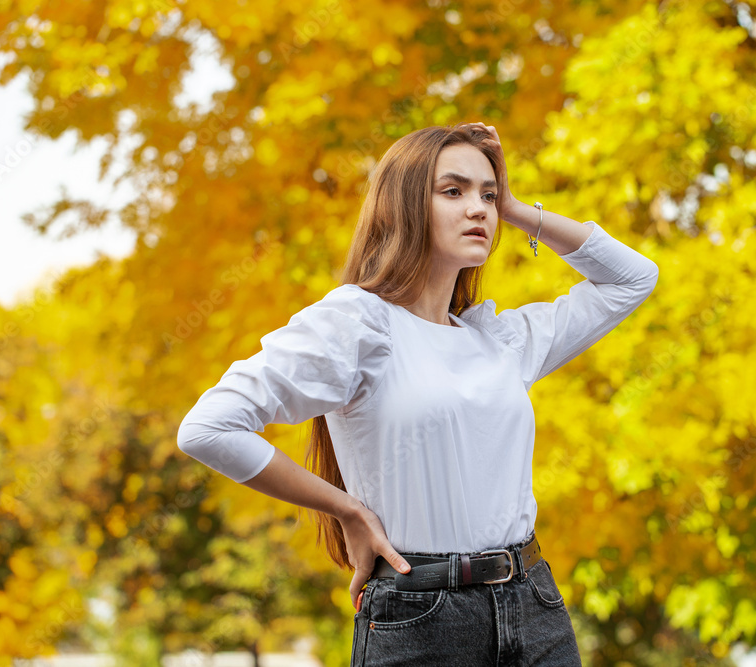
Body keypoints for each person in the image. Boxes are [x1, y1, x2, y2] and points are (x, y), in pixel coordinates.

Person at [177, 121, 660, 665]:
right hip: (421, 616)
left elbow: (633, 278)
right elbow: (208, 427)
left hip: (533, 604)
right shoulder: (358, 324)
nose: (478, 208)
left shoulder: (496, 340)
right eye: (453, 191)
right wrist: (347, 511)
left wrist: (519, 208)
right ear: (403, 205)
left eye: (487, 194)